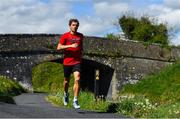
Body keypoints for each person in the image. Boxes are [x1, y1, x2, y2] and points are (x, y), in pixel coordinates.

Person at [57, 19, 83, 109]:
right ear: (69, 26)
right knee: (66, 81)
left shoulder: (80, 36)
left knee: (77, 78)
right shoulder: (65, 36)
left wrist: (80, 53)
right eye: (73, 25)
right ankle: (65, 94)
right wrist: (70, 46)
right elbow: (59, 47)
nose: (75, 26)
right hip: (67, 62)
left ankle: (75, 100)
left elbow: (80, 47)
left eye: (76, 25)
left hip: (77, 61)